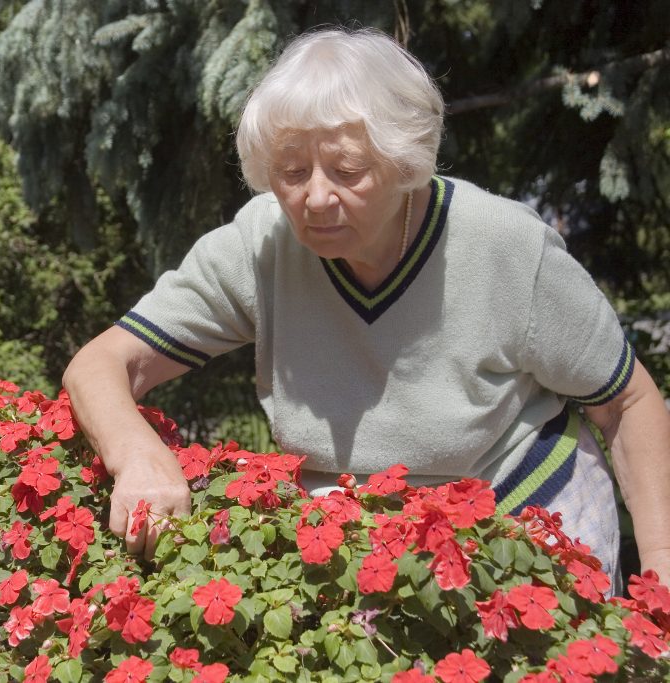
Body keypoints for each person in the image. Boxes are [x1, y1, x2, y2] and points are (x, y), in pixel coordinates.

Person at [61, 27, 670, 589]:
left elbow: (629, 402)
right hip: (355, 530)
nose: (316, 197)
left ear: (405, 162)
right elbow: (104, 364)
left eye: (348, 169)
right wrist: (138, 455)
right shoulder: (261, 244)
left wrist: (663, 571)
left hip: (524, 507)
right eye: (292, 172)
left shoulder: (505, 247)